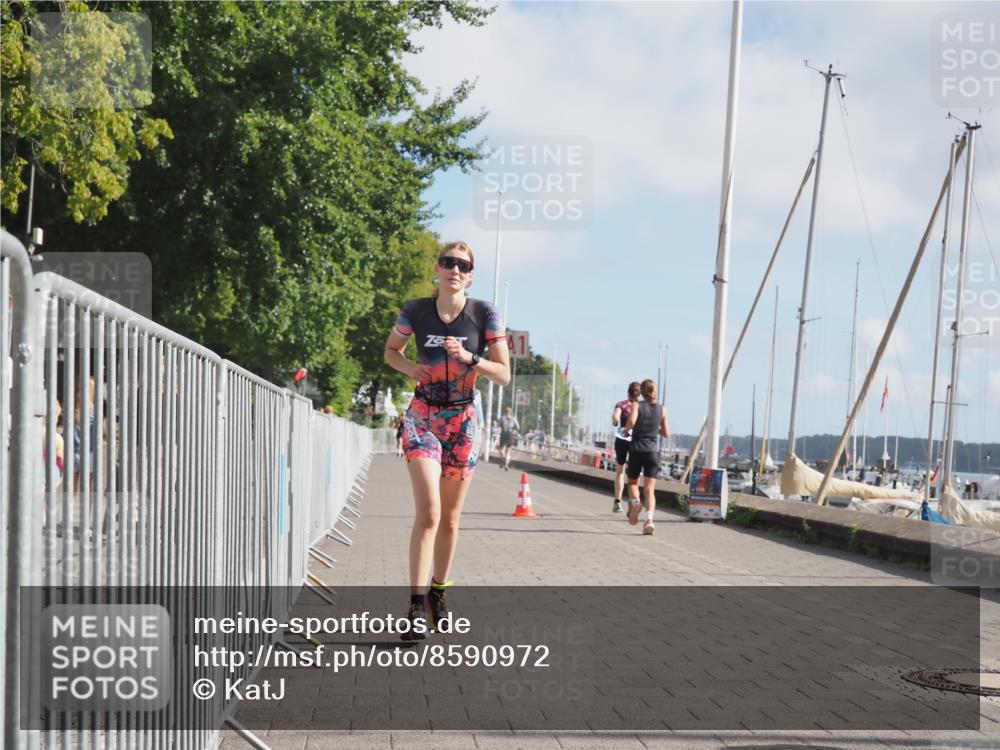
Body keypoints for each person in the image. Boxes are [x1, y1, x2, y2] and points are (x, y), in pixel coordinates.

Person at [384, 241, 510, 639]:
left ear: (470, 275)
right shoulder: (416, 310)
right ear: (437, 269)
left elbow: (504, 374)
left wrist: (471, 358)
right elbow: (391, 350)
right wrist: (408, 368)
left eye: (463, 265)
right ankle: (414, 606)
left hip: (463, 421)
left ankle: (439, 589)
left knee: (451, 520)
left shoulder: (484, 315)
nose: (455, 269)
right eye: (448, 262)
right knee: (430, 513)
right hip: (423, 416)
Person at [623, 378, 670, 536]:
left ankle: (635, 502)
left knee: (633, 483)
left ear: (642, 392)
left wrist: (626, 430)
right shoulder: (662, 409)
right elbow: (666, 433)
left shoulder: (637, 405)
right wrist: (654, 428)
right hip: (653, 452)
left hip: (637, 449)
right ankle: (649, 520)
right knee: (650, 490)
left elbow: (631, 420)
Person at [610, 382, 641, 513]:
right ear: (640, 393)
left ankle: (617, 502)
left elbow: (615, 418)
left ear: (628, 392)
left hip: (622, 439)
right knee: (634, 475)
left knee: (620, 471)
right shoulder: (641, 406)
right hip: (636, 441)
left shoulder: (621, 404)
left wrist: (616, 420)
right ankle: (634, 502)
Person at [497, 406, 520, 471]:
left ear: (505, 411)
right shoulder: (513, 418)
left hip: (503, 434)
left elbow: (498, 425)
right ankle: (506, 464)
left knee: (502, 450)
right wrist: (513, 430)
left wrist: (501, 427)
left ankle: (503, 461)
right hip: (510, 434)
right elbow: (518, 427)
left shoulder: (502, 418)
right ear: (511, 412)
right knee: (508, 451)